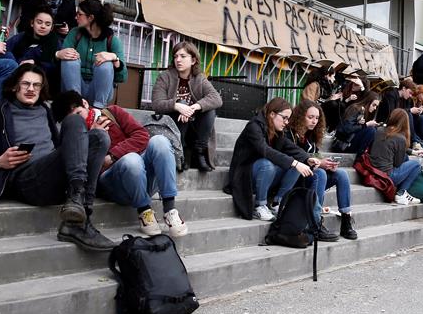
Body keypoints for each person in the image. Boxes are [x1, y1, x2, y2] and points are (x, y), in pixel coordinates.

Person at [0, 64, 113, 251]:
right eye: (26, 84)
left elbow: (60, 145)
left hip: (56, 178)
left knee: (98, 136)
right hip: (27, 180)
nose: (31, 89)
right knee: (75, 120)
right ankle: (78, 212)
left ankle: (80, 213)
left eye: (36, 85)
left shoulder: (45, 110)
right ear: (14, 86)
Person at [52, 90, 187, 238]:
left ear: (85, 104)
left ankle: (170, 210)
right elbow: (84, 177)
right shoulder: (75, 135)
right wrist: (93, 138)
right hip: (115, 184)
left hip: (142, 176)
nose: (79, 121)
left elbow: (142, 136)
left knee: (159, 141)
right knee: (131, 160)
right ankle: (144, 211)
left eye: (79, 114)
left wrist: (112, 155)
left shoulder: (112, 112)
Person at [225, 97, 313, 221]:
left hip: (265, 175)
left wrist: (307, 158)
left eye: (288, 119)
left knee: (295, 166)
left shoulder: (276, 130)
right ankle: (259, 206)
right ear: (272, 114)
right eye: (284, 118)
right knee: (268, 164)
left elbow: (289, 146)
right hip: (245, 174)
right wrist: (294, 162)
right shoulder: (254, 126)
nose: (287, 122)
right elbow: (265, 150)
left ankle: (278, 203)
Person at [282, 100, 357, 240]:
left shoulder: (311, 135)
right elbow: (292, 156)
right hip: (294, 177)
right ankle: (314, 222)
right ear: (300, 116)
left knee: (341, 174)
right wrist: (319, 164)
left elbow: (316, 157)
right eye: (310, 117)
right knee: (320, 173)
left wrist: (327, 163)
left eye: (317, 118)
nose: (314, 121)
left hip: (310, 176)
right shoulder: (289, 133)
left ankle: (346, 219)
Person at [151, 41, 222, 172]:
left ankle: (199, 152)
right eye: (176, 56)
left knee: (210, 110)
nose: (178, 60)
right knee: (181, 104)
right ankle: (180, 152)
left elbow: (217, 98)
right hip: (173, 126)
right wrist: (177, 106)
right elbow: (156, 103)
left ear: (193, 60)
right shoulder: (165, 77)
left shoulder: (199, 78)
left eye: (183, 56)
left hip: (195, 128)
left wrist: (194, 107)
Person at [57, 0, 126, 109]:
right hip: (74, 88)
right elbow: (62, 61)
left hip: (99, 91)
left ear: (91, 18)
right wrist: (58, 54)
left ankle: (98, 109)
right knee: (70, 57)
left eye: (79, 14)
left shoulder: (112, 40)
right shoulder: (75, 33)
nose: (76, 17)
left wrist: (114, 58)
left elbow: (122, 77)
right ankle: (75, 104)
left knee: (106, 64)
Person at [369, 109, 423, 206]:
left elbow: (390, 145)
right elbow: (398, 163)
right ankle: (401, 193)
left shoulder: (379, 130)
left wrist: (413, 152)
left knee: (407, 159)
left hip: (373, 170)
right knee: (417, 165)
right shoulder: (400, 138)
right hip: (387, 175)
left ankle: (402, 192)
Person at [5, 6, 60, 82]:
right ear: (32, 23)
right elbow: (5, 49)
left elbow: (51, 67)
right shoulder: (22, 36)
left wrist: (35, 64)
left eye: (47, 24)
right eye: (39, 22)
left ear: (52, 27)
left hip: (38, 78)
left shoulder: (54, 42)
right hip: (14, 72)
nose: (43, 26)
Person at [301, 65, 343, 131]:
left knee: (341, 105)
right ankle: (327, 128)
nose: (334, 79)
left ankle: (331, 129)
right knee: (332, 104)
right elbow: (308, 103)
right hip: (311, 111)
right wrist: (330, 100)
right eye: (333, 76)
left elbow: (323, 101)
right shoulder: (314, 85)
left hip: (318, 110)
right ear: (327, 75)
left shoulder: (326, 86)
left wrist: (331, 98)